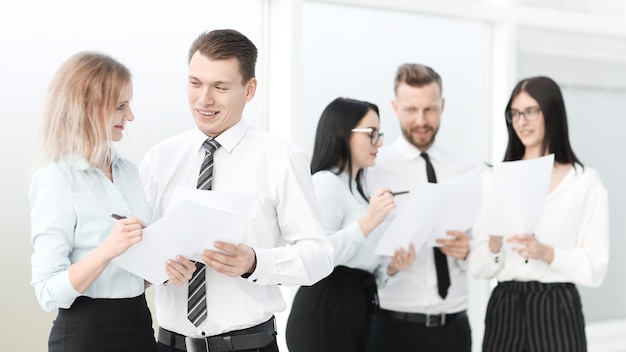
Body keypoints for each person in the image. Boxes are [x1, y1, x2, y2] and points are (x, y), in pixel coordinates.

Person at [139, 29, 334, 352]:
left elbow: (320, 256)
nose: (204, 99)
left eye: (220, 87)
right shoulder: (160, 158)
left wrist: (256, 262)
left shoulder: (281, 158)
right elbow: (137, 253)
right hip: (168, 345)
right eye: (195, 83)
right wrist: (156, 267)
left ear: (249, 89)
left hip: (247, 346)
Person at [29, 52, 195, 352]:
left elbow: (131, 277)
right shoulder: (55, 180)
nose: (130, 117)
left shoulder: (130, 172)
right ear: (88, 109)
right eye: (120, 107)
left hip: (139, 326)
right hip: (86, 336)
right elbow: (48, 292)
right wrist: (108, 250)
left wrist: (165, 274)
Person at [469, 76, 609, 352]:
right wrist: (495, 242)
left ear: (552, 113)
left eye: (531, 111)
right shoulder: (494, 178)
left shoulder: (584, 181)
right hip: (505, 306)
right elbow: (477, 266)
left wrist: (546, 253)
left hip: (556, 307)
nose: (522, 121)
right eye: (515, 114)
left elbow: (596, 267)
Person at [285, 97, 416, 352]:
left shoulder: (358, 192)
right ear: (343, 133)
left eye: (379, 134)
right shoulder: (326, 183)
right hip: (325, 312)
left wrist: (390, 269)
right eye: (371, 134)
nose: (379, 142)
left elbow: (361, 265)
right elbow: (317, 255)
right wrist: (368, 221)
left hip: (356, 312)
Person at [365, 63, 478, 352]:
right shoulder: (375, 169)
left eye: (429, 109)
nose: (421, 120)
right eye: (411, 110)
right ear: (395, 107)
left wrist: (469, 249)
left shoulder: (464, 169)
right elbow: (360, 249)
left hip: (454, 327)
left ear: (442, 105)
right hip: (393, 327)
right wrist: (390, 266)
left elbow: (484, 246)